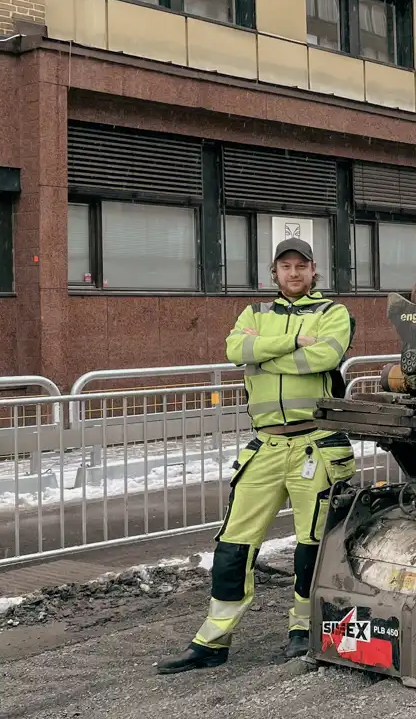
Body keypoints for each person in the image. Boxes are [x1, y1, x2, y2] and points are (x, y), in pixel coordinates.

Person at [157, 238, 356, 674]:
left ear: (313, 269)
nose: (294, 273)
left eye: (301, 266)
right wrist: (293, 342)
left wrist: (265, 355)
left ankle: (304, 631)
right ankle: (212, 641)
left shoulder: (333, 313)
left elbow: (325, 356)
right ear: (274, 273)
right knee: (232, 545)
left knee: (312, 546)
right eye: (286, 267)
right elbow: (235, 351)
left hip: (315, 445)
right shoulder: (253, 313)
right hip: (264, 447)